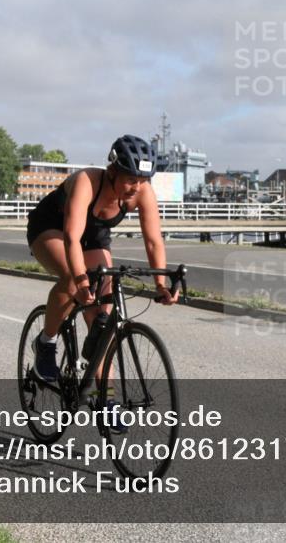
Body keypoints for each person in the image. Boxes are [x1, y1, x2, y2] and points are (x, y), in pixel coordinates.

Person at [26, 135, 178, 390]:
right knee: (72, 279)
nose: (136, 187)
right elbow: (72, 238)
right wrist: (81, 281)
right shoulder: (87, 181)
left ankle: (106, 398)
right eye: (131, 179)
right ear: (112, 171)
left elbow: (153, 242)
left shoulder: (142, 192)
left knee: (102, 322)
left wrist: (161, 284)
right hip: (52, 227)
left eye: (142, 180)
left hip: (94, 235)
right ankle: (46, 342)